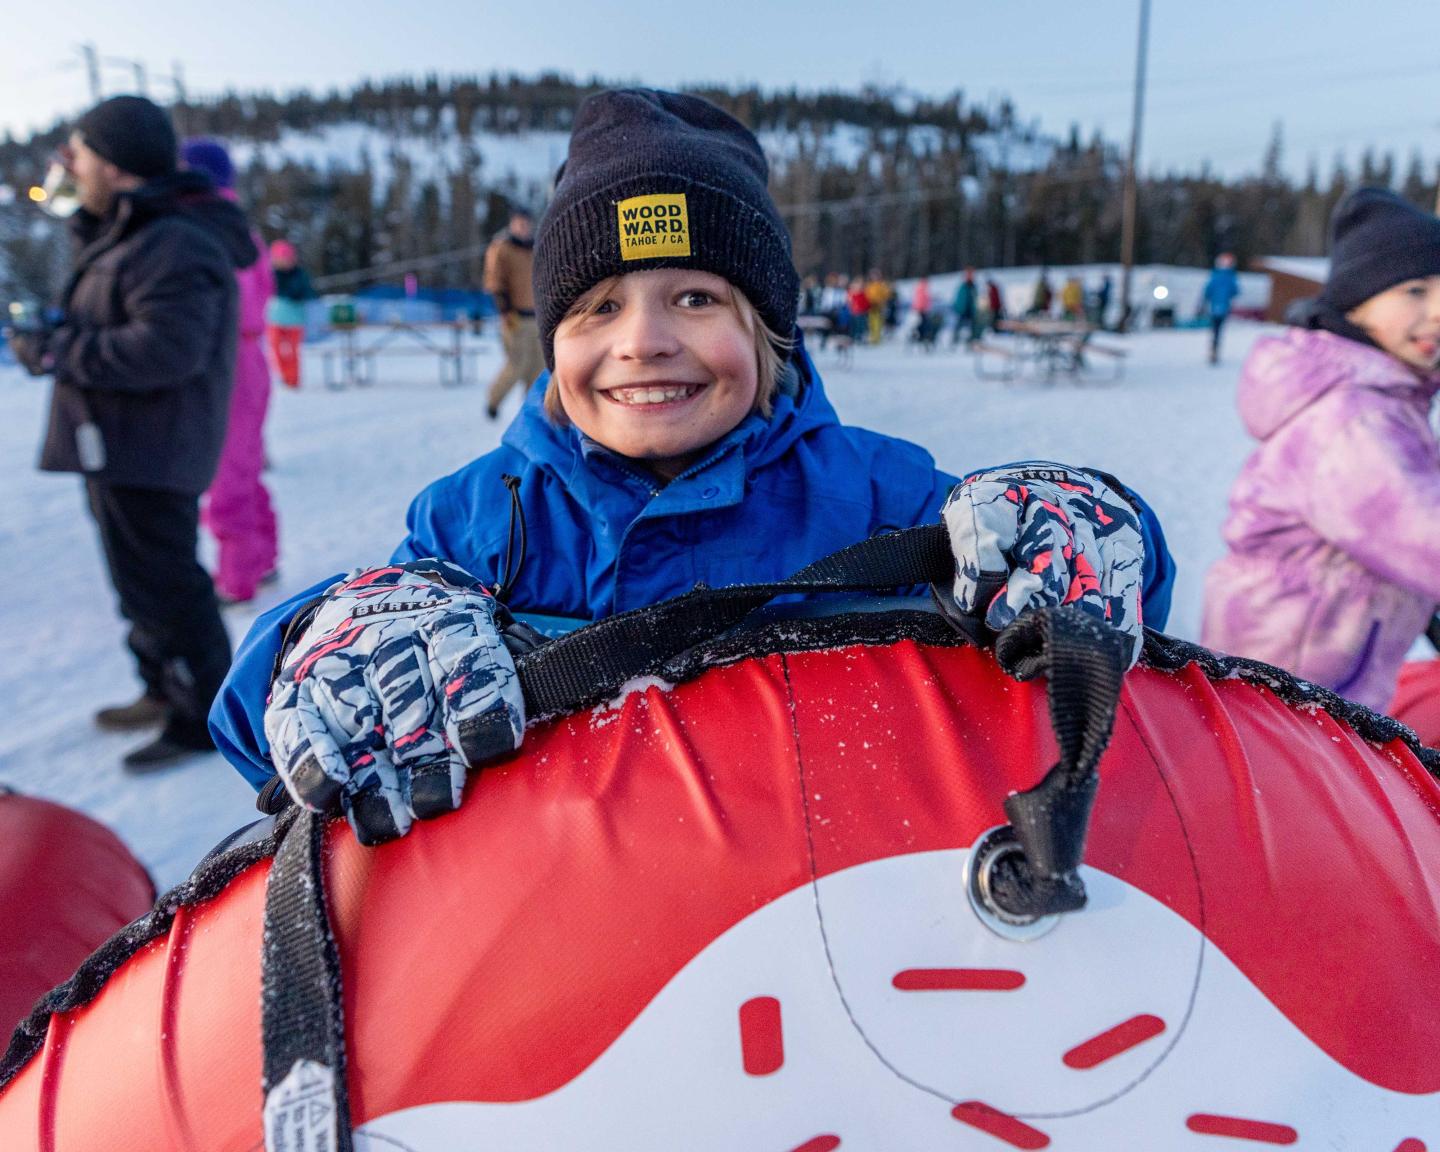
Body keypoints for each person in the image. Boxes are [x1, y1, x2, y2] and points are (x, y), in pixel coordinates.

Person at [210, 88, 1174, 844]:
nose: (644, 342)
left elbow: (1072, 601)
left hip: (835, 902)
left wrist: (1083, 527)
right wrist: (329, 643)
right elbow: (262, 722)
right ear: (553, 344)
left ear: (768, 331)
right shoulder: (475, 519)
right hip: (569, 945)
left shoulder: (879, 493)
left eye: (696, 297)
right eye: (597, 310)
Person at [8, 95, 256, 770]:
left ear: (114, 164)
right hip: (118, 442)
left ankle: (200, 712)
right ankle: (161, 686)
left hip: (152, 446)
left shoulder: (175, 239)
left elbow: (167, 348)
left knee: (166, 582)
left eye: (81, 153)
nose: (70, 166)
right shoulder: (137, 231)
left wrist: (64, 350)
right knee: (139, 582)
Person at [1202, 188, 1440, 712]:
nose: (1438, 310)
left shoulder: (1388, 400)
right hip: (1289, 691)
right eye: (1416, 291)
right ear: (1356, 301)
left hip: (1324, 674)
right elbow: (1423, 532)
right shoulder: (1354, 419)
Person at [181, 137, 279, 606]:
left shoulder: (205, 227)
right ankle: (262, 558)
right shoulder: (237, 226)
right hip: (249, 357)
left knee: (228, 475)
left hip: (229, 361)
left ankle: (237, 577)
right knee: (245, 466)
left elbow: (230, 302)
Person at [483, 207, 544, 420]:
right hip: (515, 317)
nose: (523, 228)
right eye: (519, 223)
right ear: (512, 224)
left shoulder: (535, 248)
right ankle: (493, 400)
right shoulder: (502, 248)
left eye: (526, 223)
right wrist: (504, 309)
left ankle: (532, 412)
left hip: (537, 317)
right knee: (517, 363)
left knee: (538, 368)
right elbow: (495, 281)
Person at [265, 241, 313, 389]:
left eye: (285, 259)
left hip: (295, 320)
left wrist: (296, 293)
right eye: (278, 259)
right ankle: (284, 375)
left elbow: (308, 293)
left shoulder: (299, 275)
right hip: (275, 319)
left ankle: (293, 379)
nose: (282, 262)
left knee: (292, 351)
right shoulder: (270, 274)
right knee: (275, 349)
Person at [1203, 253, 1241, 364]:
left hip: (1214, 307)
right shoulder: (1231, 277)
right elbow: (1235, 291)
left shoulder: (1215, 275)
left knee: (1215, 329)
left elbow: (1207, 291)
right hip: (1224, 307)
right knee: (1218, 330)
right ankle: (1215, 350)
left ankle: (1213, 350)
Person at [951, 269, 978, 347]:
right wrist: (959, 309)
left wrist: (974, 309)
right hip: (963, 311)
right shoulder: (963, 287)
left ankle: (970, 342)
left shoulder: (973, 287)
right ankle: (955, 341)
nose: (970, 277)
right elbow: (960, 299)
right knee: (959, 326)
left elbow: (974, 299)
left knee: (972, 328)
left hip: (971, 311)